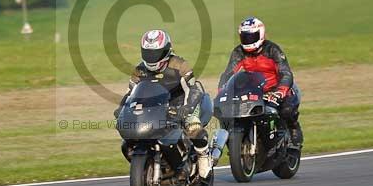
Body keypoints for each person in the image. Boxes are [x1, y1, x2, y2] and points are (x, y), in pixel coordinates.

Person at [115, 29, 212, 177]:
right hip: (156, 108)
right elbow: (131, 94)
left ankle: (203, 155)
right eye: (148, 53)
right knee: (129, 138)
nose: (151, 57)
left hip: (181, 104)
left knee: (193, 127)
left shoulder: (180, 66)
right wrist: (122, 109)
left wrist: (186, 109)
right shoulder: (139, 70)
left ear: (166, 50)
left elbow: (193, 90)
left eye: (155, 53)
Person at [218, 17, 303, 150]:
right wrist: (222, 91)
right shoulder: (238, 52)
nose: (248, 40)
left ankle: (293, 128)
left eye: (251, 36)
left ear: (261, 34)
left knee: (286, 110)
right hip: (253, 89)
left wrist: (280, 91)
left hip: (275, 89)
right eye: (245, 37)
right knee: (230, 113)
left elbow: (285, 72)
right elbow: (228, 74)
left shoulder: (272, 50)